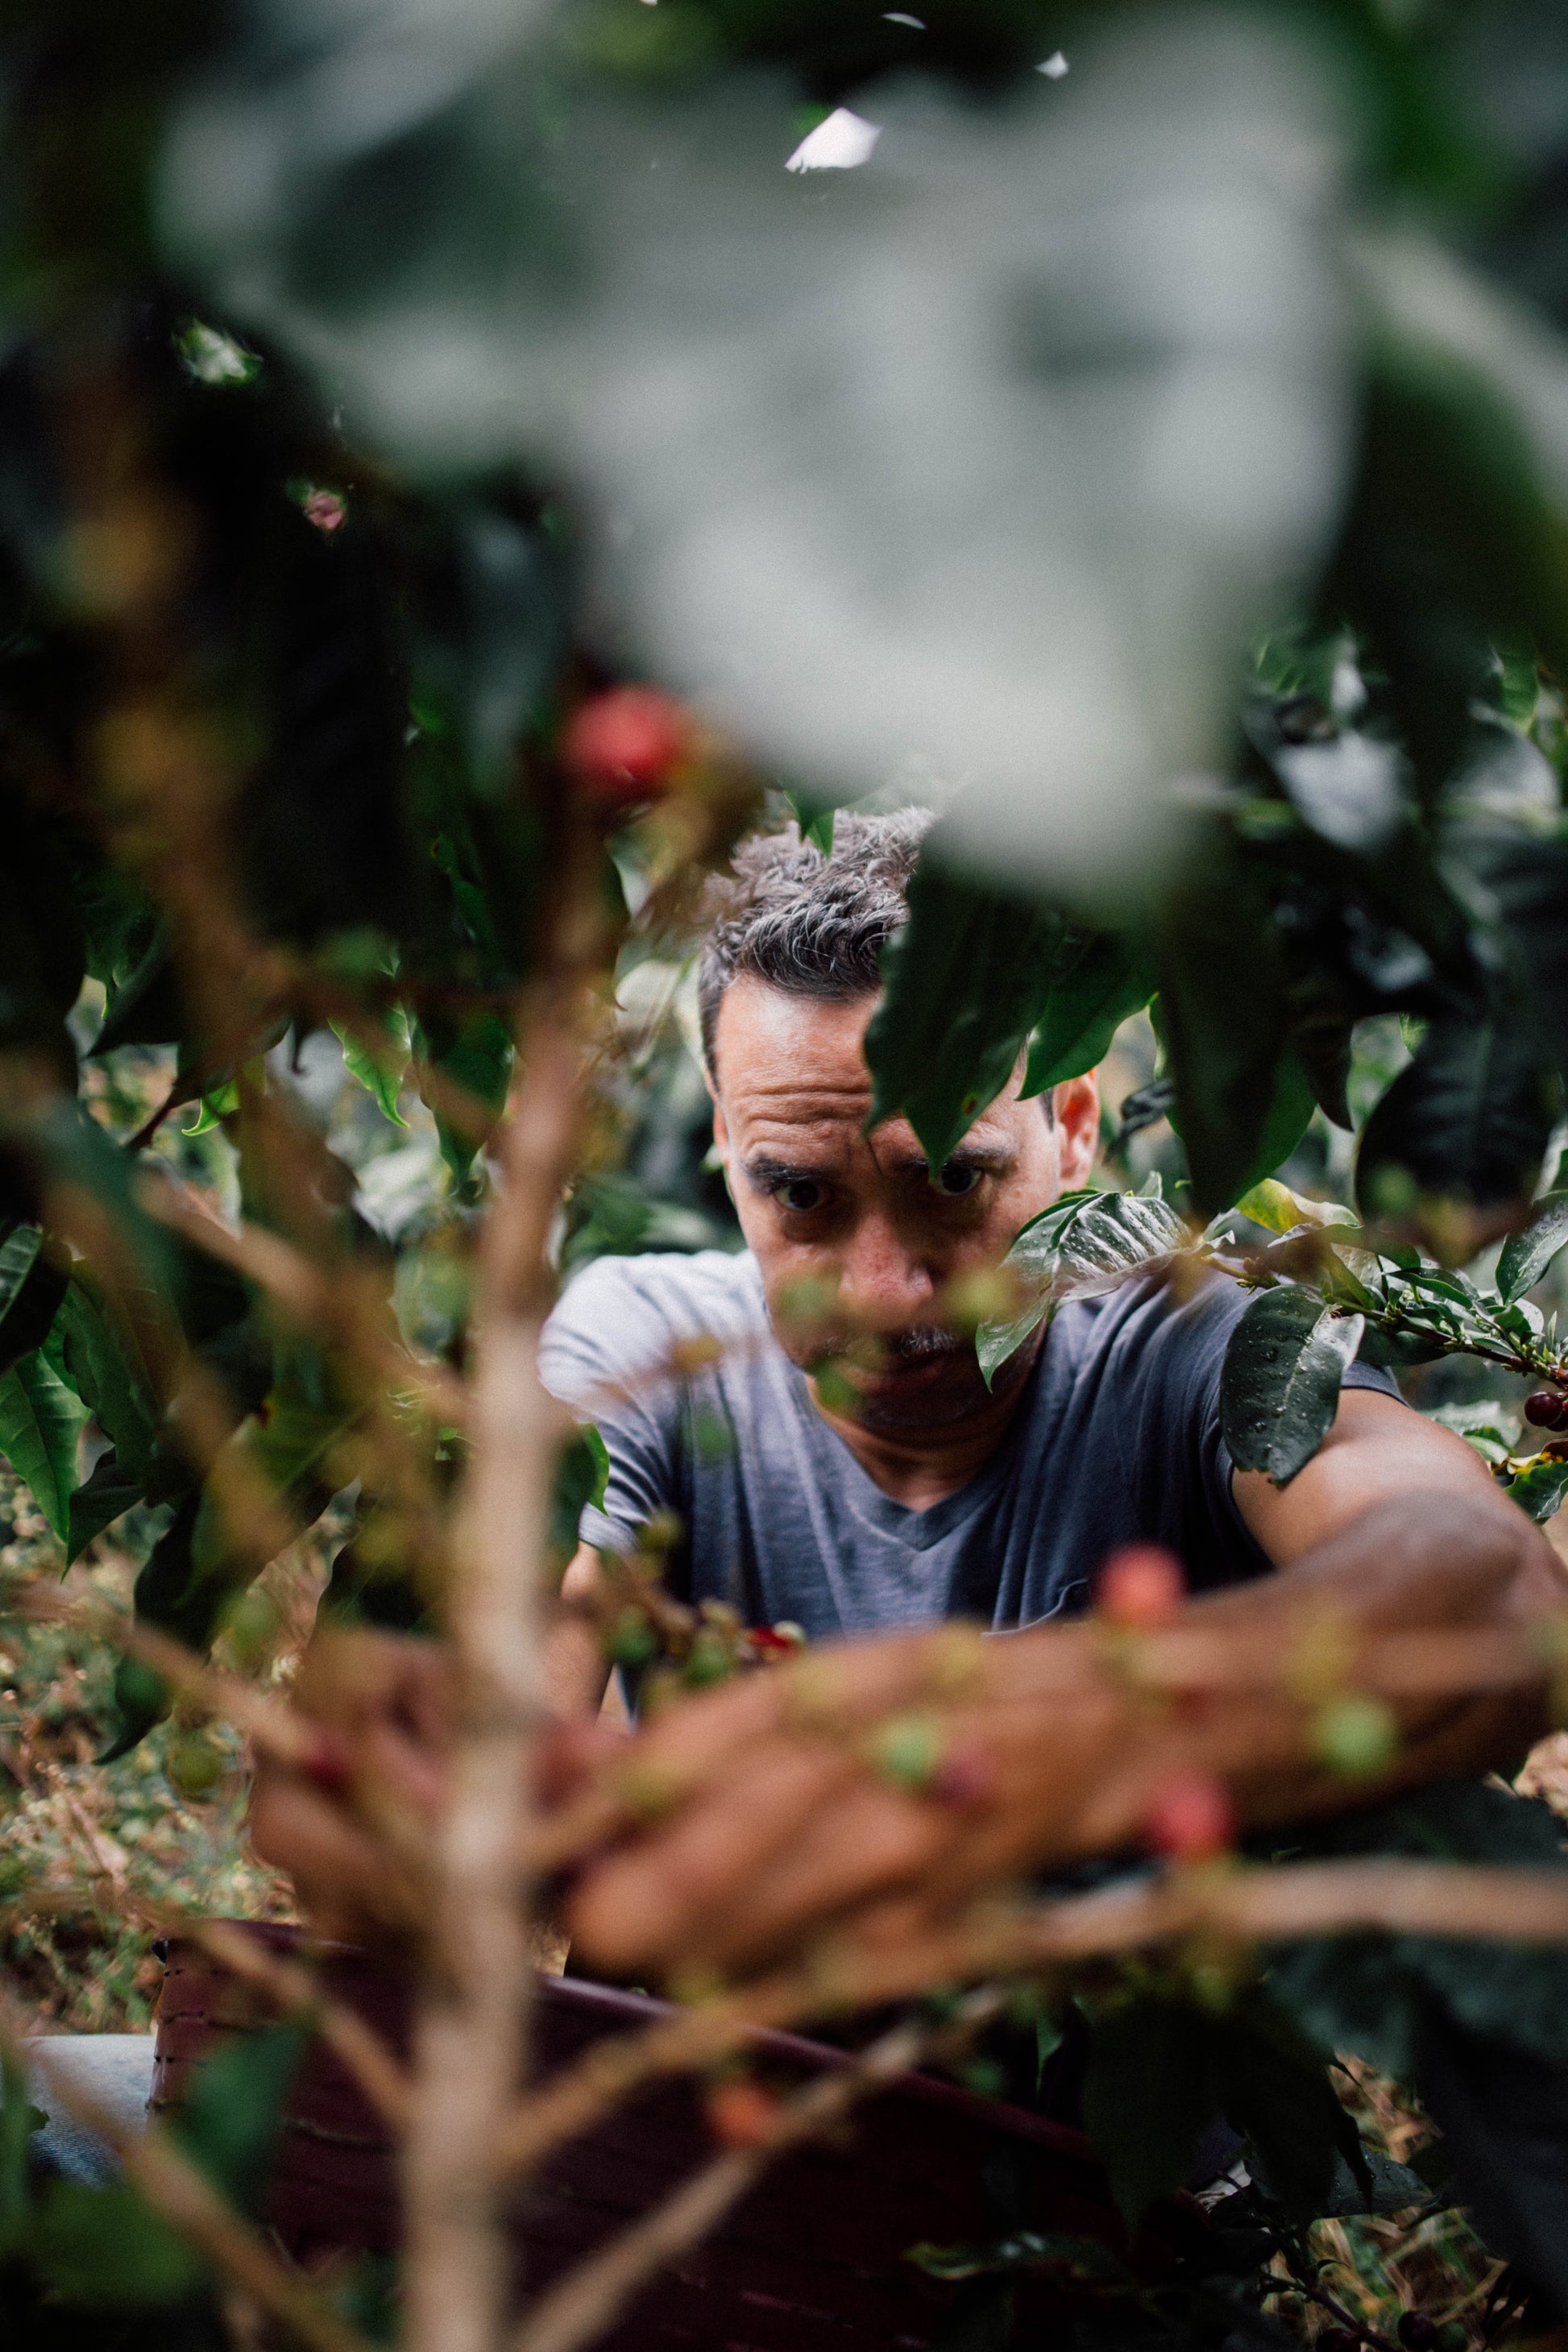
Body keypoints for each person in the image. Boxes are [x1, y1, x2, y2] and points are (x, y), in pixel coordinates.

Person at [251, 813, 1565, 1983]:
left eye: (950, 1180)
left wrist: (950, 1751)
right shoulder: (643, 1344)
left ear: (1072, 1128)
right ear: (724, 1141)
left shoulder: (1208, 1345)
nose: (884, 1291)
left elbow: (1485, 1598)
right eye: (802, 1195)